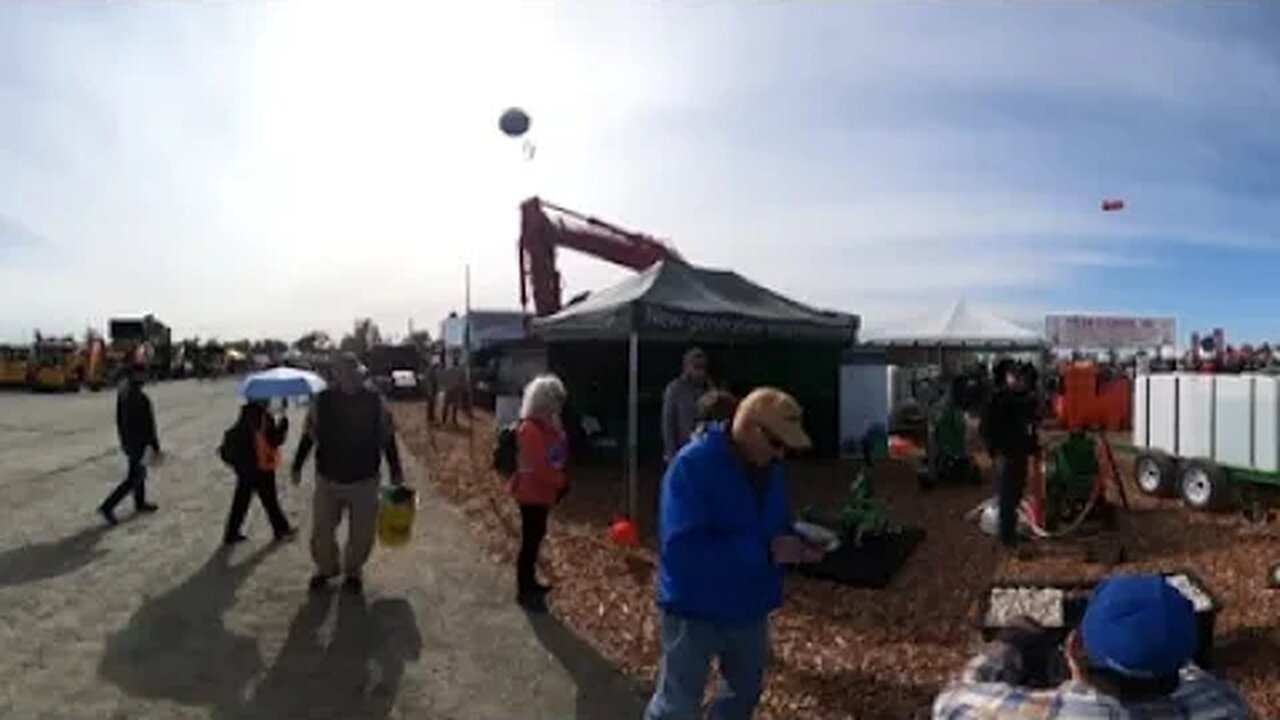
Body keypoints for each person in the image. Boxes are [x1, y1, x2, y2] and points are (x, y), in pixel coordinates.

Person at [646, 388, 825, 720]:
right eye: (777, 444)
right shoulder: (692, 466)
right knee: (678, 705)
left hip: (749, 605)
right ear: (752, 429)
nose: (782, 454)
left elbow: (772, 524)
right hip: (695, 607)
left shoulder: (770, 470)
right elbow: (682, 550)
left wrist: (797, 544)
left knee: (744, 693)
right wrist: (765, 550)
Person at [933, 574, 1252, 718]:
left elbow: (950, 702)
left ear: (1073, 646)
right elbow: (1194, 675)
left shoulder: (1052, 714)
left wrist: (1009, 643)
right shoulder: (1225, 705)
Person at [291, 352, 406, 594]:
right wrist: (297, 465)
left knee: (361, 535)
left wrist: (396, 470)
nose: (349, 378)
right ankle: (325, 569)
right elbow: (309, 434)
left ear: (360, 374)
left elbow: (387, 437)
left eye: (353, 373)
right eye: (343, 373)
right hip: (328, 479)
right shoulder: (322, 401)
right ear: (336, 375)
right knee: (322, 531)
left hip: (365, 480)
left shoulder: (375, 402)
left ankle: (353, 572)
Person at [510, 374, 569, 612]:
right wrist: (560, 481)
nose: (559, 405)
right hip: (531, 492)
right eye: (555, 400)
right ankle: (524, 590)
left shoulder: (546, 426)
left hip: (542, 491)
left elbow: (557, 453)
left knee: (536, 538)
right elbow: (538, 465)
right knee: (530, 540)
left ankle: (530, 583)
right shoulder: (530, 429)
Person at [980, 358, 1040, 551]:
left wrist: (1032, 447)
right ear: (1004, 376)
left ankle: (1010, 533)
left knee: (1014, 495)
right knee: (1008, 496)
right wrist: (995, 451)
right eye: (1013, 374)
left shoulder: (1008, 397)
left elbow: (1028, 418)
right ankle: (1008, 538)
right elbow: (986, 428)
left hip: (1016, 452)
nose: (1016, 378)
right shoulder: (1000, 398)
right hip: (1008, 454)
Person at [222, 400, 295, 545]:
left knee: (241, 502)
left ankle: (231, 533)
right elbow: (275, 440)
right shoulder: (264, 417)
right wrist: (283, 425)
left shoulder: (244, 415)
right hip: (262, 466)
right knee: (270, 501)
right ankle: (281, 529)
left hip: (245, 468)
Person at [100, 363, 161, 525]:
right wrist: (155, 445)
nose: (145, 377)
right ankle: (107, 506)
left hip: (130, 441)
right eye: (142, 374)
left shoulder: (125, 392)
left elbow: (120, 420)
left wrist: (124, 439)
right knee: (135, 477)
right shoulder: (138, 397)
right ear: (135, 375)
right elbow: (148, 425)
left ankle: (140, 502)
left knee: (139, 473)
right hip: (138, 443)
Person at [661, 348, 711, 463]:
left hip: (704, 452)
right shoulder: (675, 389)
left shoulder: (710, 388)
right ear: (686, 367)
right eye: (696, 367)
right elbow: (668, 423)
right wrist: (672, 455)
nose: (701, 372)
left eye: (703, 367)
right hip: (682, 451)